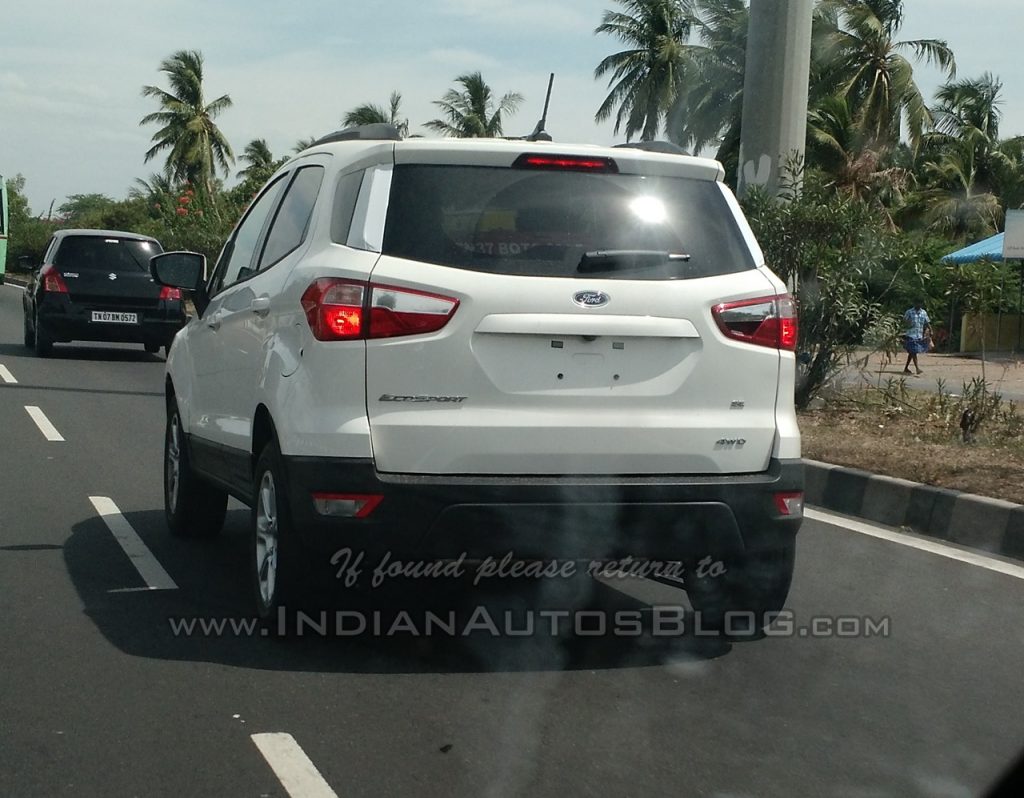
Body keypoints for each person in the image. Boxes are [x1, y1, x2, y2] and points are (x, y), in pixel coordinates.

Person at [902, 299, 931, 375]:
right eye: (917, 302)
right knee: (914, 351)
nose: (918, 304)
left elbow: (927, 322)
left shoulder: (923, 313)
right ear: (914, 303)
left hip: (919, 335)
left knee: (912, 352)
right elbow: (904, 322)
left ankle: (906, 368)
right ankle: (917, 368)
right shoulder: (909, 312)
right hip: (910, 334)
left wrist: (931, 330)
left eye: (920, 302)